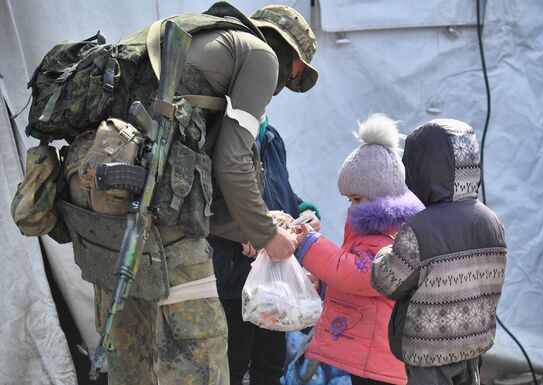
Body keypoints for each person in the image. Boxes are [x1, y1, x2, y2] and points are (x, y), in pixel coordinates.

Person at [57, 3, 319, 385]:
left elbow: (196, 176)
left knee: (133, 356)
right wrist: (266, 235)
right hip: (161, 228)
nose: (285, 85)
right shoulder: (261, 57)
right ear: (288, 53)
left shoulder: (194, 37)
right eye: (294, 73)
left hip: (105, 201)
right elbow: (231, 164)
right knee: (204, 363)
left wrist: (251, 231)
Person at [370, 119, 507, 385]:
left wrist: (384, 252)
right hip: (473, 345)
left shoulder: (420, 228)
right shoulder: (492, 221)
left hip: (429, 352)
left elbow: (389, 282)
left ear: (419, 170)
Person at [294, 114, 424, 385]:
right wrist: (323, 286)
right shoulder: (371, 232)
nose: (351, 206)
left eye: (357, 199)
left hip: (379, 360)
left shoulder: (389, 241)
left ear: (380, 198)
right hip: (369, 353)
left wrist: (308, 243)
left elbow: (353, 272)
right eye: (349, 199)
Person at [208, 115, 321, 385]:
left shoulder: (271, 136)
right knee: (231, 365)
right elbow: (210, 200)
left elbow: (279, 192)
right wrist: (247, 230)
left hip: (273, 279)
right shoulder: (221, 132)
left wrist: (303, 210)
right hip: (233, 276)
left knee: (270, 364)